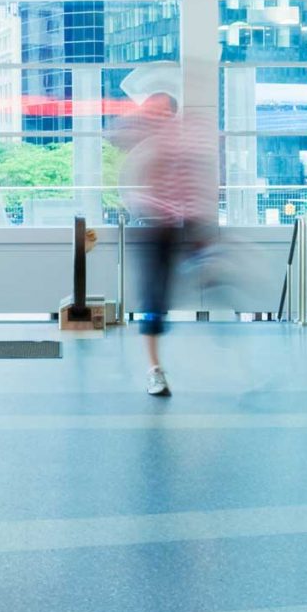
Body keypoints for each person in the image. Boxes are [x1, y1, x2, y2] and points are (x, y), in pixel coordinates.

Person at [116, 88, 215, 399]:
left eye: (161, 111)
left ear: (173, 113)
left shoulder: (185, 141)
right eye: (150, 111)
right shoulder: (142, 142)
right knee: (153, 298)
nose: (155, 116)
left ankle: (209, 277)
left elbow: (199, 179)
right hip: (154, 228)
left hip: (185, 225)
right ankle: (154, 368)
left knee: (200, 278)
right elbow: (116, 137)